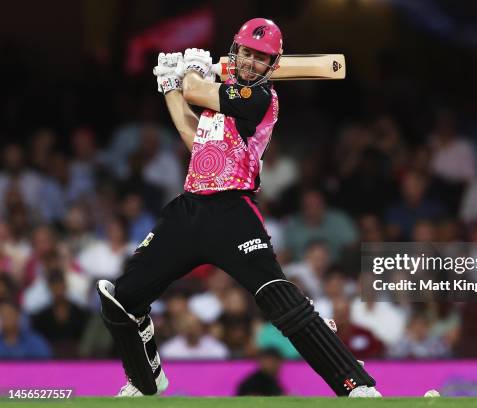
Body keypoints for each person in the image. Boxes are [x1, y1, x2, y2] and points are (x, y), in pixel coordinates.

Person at [96, 18, 380, 398]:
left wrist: (190, 75)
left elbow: (197, 91)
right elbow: (191, 134)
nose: (249, 63)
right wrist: (169, 88)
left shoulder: (261, 98)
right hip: (189, 209)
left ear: (272, 64)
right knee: (121, 299)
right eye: (245, 53)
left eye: (260, 57)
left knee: (280, 299)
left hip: (233, 212)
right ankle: (146, 380)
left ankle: (354, 383)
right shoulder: (222, 96)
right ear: (235, 51)